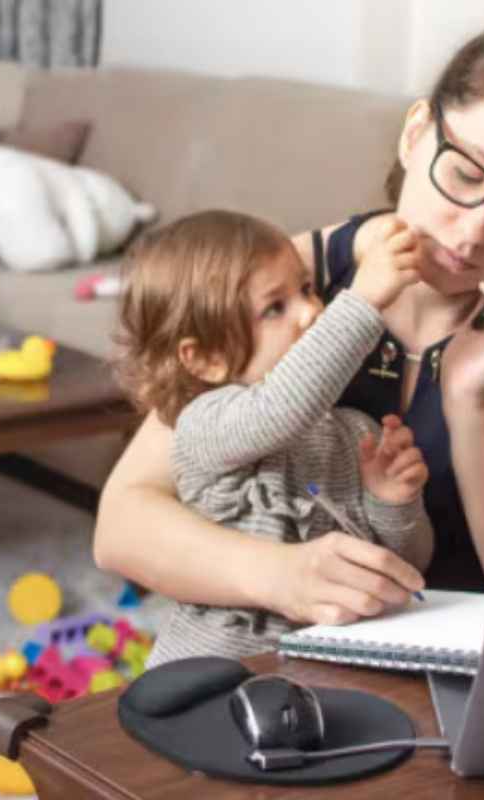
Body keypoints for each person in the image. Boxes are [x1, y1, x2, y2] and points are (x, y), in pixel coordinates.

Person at [94, 24, 484, 625]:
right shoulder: (294, 281)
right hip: (294, 653)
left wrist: (471, 407)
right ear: (416, 134)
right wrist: (280, 575)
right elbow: (123, 523)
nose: (472, 232)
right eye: (466, 175)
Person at [113, 209, 434, 663]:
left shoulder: (354, 432)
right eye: (274, 308)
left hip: (320, 671)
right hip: (208, 676)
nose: (311, 311)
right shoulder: (203, 424)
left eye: (306, 289)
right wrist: (363, 300)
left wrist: (393, 501)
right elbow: (279, 410)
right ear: (206, 360)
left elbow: (406, 566)